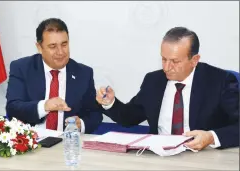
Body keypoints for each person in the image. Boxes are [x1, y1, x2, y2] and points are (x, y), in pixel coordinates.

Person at [96, 27, 239, 150]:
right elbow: (131, 117)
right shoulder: (154, 80)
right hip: (159, 157)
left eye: (175, 61)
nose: (166, 68)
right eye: (164, 59)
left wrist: (210, 137)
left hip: (205, 157)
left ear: (194, 60)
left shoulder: (219, 81)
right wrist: (110, 103)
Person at [6, 18, 102, 134]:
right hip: (32, 143)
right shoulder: (22, 68)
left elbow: (94, 114)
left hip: (67, 144)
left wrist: (80, 124)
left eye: (64, 44)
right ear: (39, 48)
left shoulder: (84, 73)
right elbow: (13, 108)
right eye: (53, 46)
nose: (60, 52)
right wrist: (44, 106)